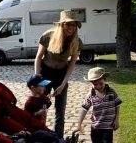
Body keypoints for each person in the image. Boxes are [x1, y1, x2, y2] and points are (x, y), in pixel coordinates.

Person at [34, 10, 83, 138]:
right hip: (46, 75)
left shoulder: (77, 41)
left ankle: (58, 138)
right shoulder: (48, 36)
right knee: (41, 107)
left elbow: (72, 64)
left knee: (60, 111)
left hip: (61, 76)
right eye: (68, 24)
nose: (71, 28)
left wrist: (63, 84)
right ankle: (39, 135)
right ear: (62, 25)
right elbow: (38, 57)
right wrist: (37, 78)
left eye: (74, 25)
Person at [74, 67, 122, 143]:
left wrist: (116, 120)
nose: (99, 86)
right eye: (95, 84)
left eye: (101, 83)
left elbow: (117, 105)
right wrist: (79, 124)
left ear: (105, 80)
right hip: (95, 128)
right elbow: (84, 109)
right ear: (91, 83)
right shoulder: (90, 95)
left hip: (108, 127)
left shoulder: (112, 92)